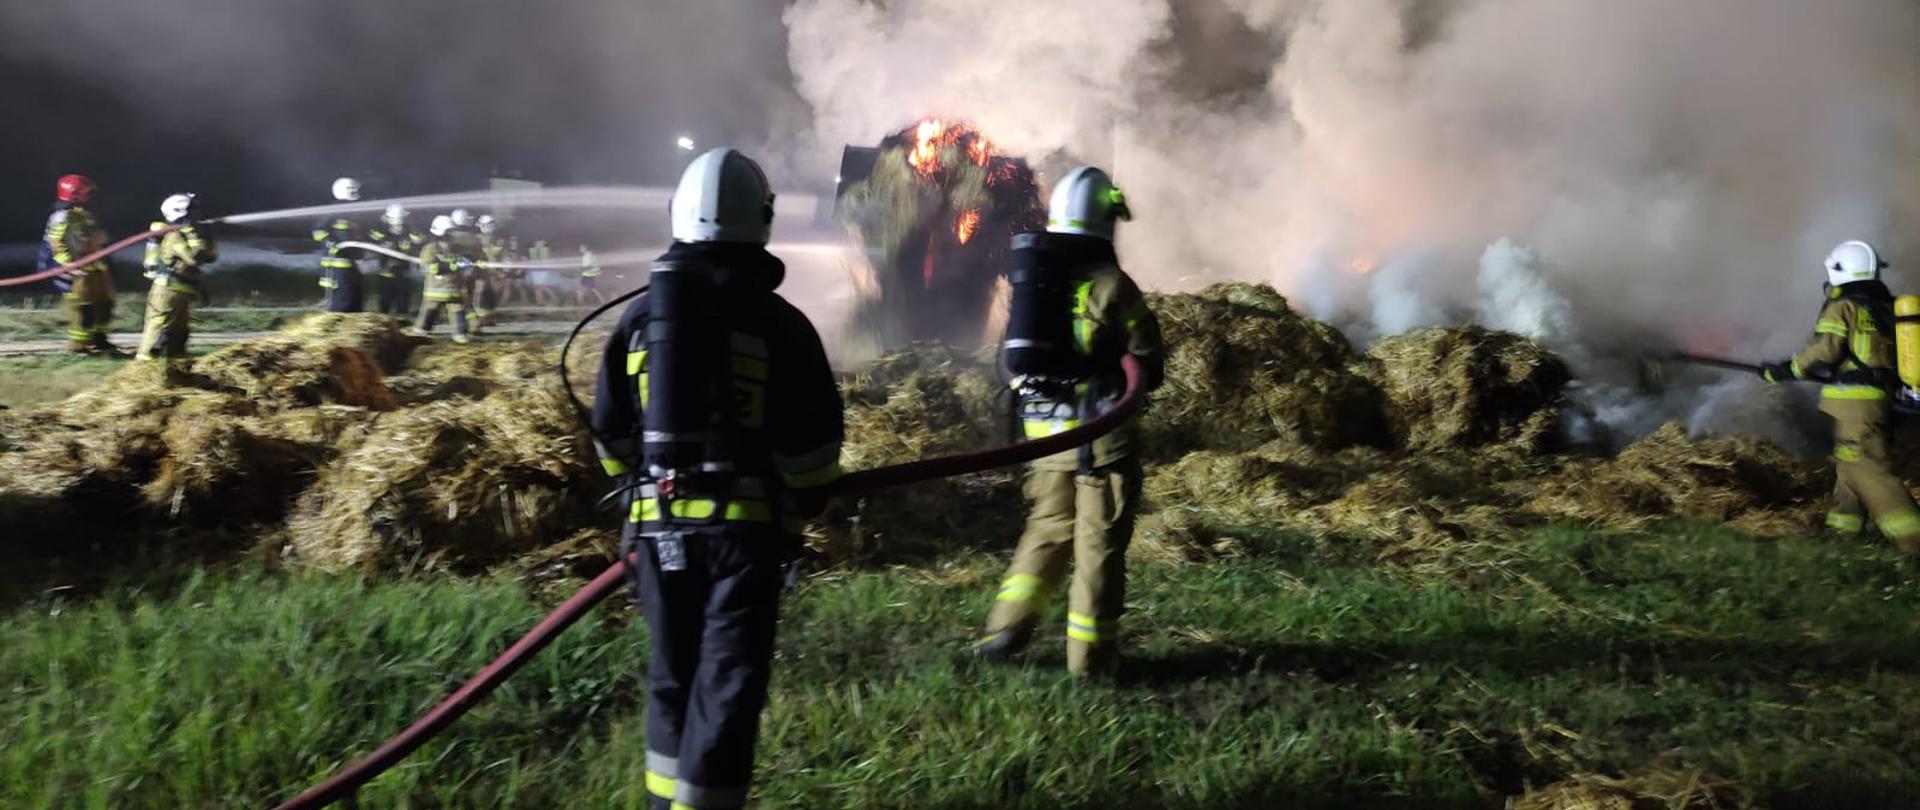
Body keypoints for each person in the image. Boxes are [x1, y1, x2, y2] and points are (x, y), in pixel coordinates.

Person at [592, 148, 843, 810]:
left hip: (655, 535)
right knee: (726, 686)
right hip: (742, 541)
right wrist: (806, 500)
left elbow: (611, 434)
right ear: (760, 221)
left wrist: (641, 495)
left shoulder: (639, 318)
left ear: (676, 214)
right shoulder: (780, 324)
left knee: (672, 678)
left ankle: (661, 800)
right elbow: (812, 446)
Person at [976, 166, 1165, 678]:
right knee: (1097, 546)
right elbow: (1150, 359)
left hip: (1044, 438)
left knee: (1045, 531)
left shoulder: (1035, 280)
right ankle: (1092, 661)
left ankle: (1003, 631)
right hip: (1098, 442)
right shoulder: (1110, 286)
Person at [1759, 239, 1920, 554]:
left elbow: (1826, 348)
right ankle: (1841, 536)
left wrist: (1788, 369)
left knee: (1865, 465)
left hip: (1855, 402)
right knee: (1848, 466)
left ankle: (1913, 541)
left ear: (1838, 270)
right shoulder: (1885, 307)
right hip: (1882, 399)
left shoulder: (1845, 306)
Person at [41, 174, 121, 355]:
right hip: (78, 271)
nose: (90, 196)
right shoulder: (61, 217)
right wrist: (70, 266)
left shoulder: (82, 214)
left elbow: (94, 236)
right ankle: (78, 346)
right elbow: (56, 244)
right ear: (76, 193)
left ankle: (100, 340)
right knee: (84, 310)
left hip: (95, 268)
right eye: (87, 193)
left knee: (105, 304)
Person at [135, 194, 217, 361]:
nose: (196, 216)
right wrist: (193, 235)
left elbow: (210, 257)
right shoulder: (174, 236)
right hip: (167, 291)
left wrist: (209, 237)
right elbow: (193, 259)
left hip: (180, 292)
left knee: (179, 334)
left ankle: (174, 369)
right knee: (159, 330)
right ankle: (144, 369)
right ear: (182, 213)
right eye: (192, 212)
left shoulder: (184, 235)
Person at [404, 215, 471, 344]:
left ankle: (460, 337)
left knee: (457, 312)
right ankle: (420, 335)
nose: (451, 234)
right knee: (428, 314)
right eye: (449, 231)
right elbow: (429, 267)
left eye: (452, 231)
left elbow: (464, 260)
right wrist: (450, 266)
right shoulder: (430, 248)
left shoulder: (457, 248)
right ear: (440, 233)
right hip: (435, 290)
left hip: (453, 289)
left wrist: (469, 261)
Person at [313, 177, 367, 312]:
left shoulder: (354, 211)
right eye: (353, 189)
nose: (356, 191)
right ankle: (338, 319)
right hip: (338, 261)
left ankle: (355, 318)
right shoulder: (334, 210)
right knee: (344, 294)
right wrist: (330, 240)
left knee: (356, 292)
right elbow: (317, 230)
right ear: (344, 191)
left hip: (353, 259)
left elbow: (361, 233)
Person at [369, 204, 424, 316]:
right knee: (385, 297)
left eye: (399, 220)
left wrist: (413, 230)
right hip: (386, 271)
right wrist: (384, 239)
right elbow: (372, 238)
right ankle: (384, 317)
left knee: (402, 297)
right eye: (394, 219)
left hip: (402, 271)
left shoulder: (409, 231)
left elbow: (419, 240)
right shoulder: (382, 231)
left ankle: (402, 318)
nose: (397, 223)